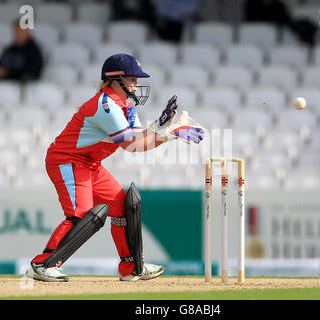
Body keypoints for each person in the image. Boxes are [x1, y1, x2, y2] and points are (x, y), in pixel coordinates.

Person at [25, 53, 204, 282]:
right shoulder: (106, 106)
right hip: (67, 160)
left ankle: (132, 267)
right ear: (115, 80)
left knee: (124, 207)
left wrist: (166, 130)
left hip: (89, 163)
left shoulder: (126, 106)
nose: (137, 85)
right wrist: (166, 131)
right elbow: (132, 145)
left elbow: (137, 143)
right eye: (132, 79)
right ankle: (43, 264)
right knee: (81, 215)